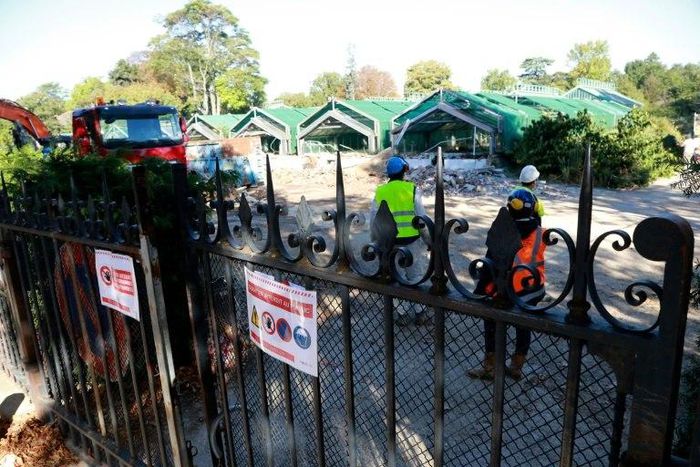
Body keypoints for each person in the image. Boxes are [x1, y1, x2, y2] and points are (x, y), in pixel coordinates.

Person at [468, 165, 546, 381]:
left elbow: (489, 263)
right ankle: (516, 366)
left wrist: (480, 289)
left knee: (491, 323)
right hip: (530, 289)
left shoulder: (502, 234)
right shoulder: (541, 233)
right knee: (523, 326)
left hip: (503, 289)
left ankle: (490, 366)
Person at [370, 155, 429, 326]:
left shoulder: (381, 191)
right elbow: (421, 219)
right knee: (415, 276)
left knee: (397, 277)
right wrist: (428, 240)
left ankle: (402, 314)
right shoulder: (412, 189)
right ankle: (420, 312)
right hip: (412, 242)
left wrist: (373, 242)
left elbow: (374, 218)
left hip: (390, 244)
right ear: (404, 170)